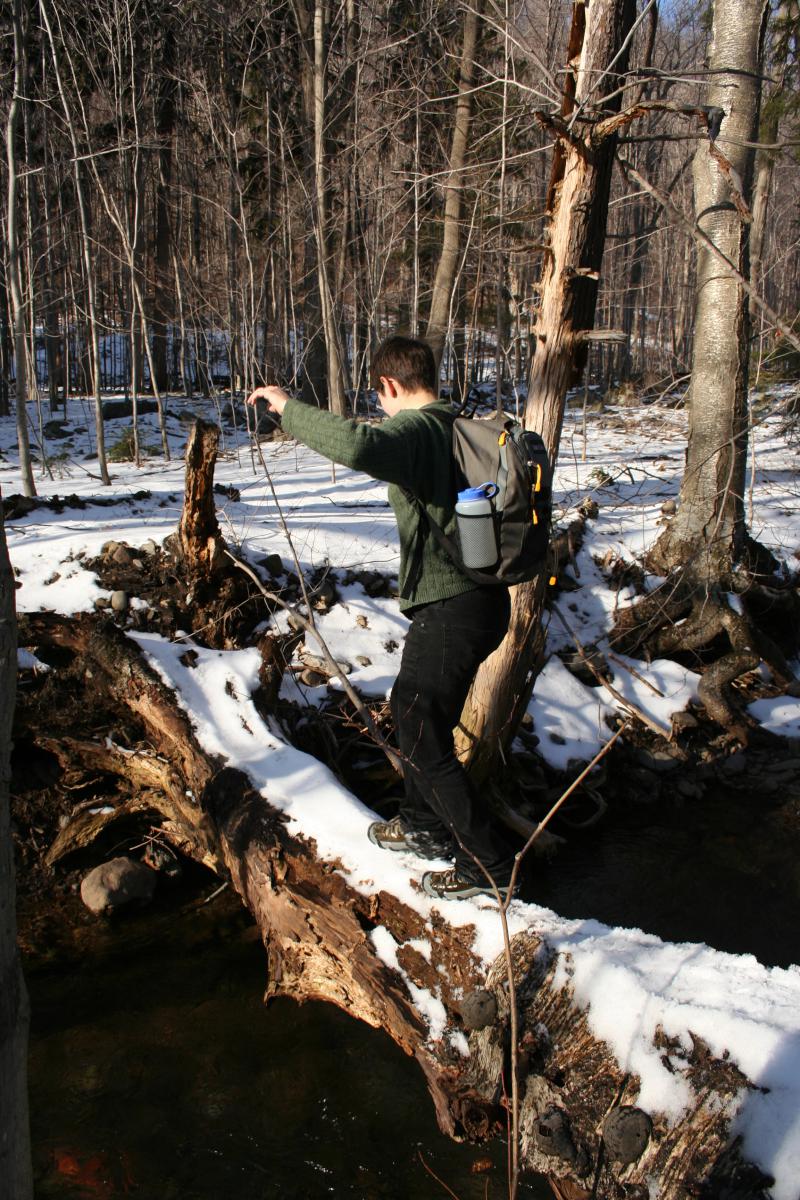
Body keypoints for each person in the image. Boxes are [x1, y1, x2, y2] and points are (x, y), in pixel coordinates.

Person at [246, 335, 515, 901]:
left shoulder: (418, 430)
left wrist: (286, 407)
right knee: (418, 715)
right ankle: (421, 826)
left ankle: (491, 869)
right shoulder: (453, 426)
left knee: (418, 725)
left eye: (381, 398)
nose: (382, 408)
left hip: (455, 605)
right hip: (472, 603)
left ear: (390, 386)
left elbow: (358, 445)